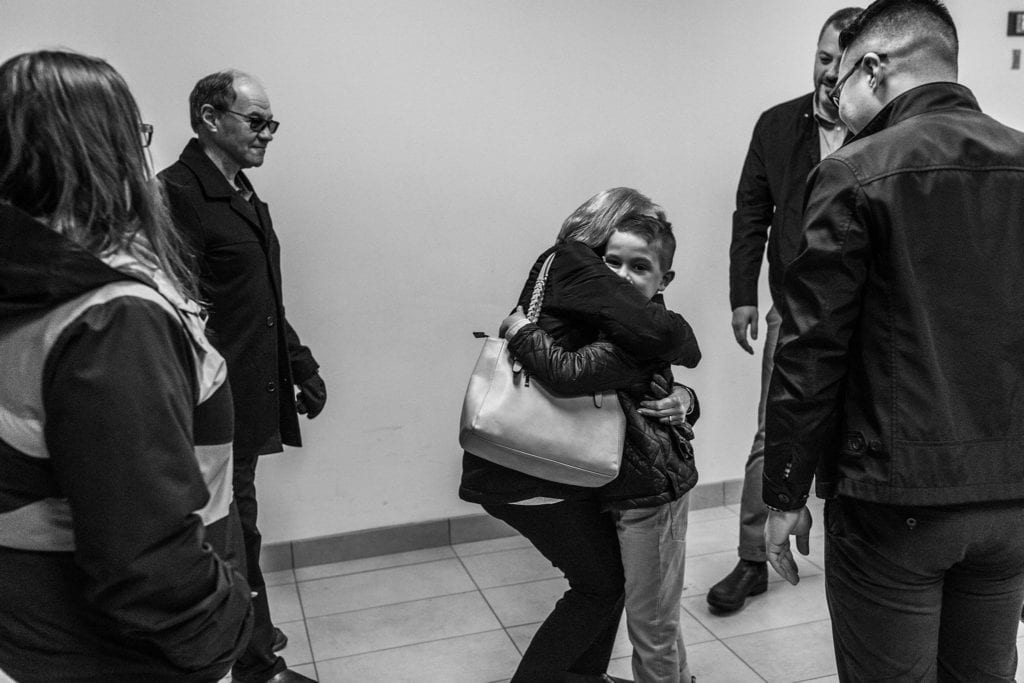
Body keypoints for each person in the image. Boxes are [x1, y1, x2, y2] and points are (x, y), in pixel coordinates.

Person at [762, 0, 1024, 679]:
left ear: (874, 69)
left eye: (839, 76)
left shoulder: (854, 171)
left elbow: (810, 350)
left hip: (895, 500)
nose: (832, 94)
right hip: (1011, 501)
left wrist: (784, 493)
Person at [0, 49, 252, 682]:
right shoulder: (110, 317)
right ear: (102, 151)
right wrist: (223, 631)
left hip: (39, 634)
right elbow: (145, 559)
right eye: (137, 134)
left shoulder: (26, 285)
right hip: (132, 654)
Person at [460, 187, 700, 683]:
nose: (618, 278)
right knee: (600, 587)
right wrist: (521, 333)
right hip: (530, 470)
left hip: (546, 466)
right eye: (611, 261)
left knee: (605, 585)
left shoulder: (594, 304)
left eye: (639, 265)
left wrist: (687, 397)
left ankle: (581, 678)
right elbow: (575, 374)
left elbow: (644, 390)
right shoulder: (580, 279)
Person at [160, 71, 326, 683]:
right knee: (234, 533)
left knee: (240, 527)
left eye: (271, 123)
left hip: (251, 390)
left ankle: (250, 635)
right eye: (256, 121)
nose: (267, 134)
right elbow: (178, 312)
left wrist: (299, 363)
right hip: (209, 405)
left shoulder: (242, 192)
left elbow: (258, 301)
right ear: (209, 118)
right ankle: (258, 665)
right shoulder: (176, 193)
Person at [711, 5, 862, 613]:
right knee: (774, 430)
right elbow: (752, 212)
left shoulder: (887, 129)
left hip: (874, 309)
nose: (829, 73)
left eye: (842, 64)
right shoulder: (776, 124)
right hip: (793, 305)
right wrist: (743, 295)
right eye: (823, 58)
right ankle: (752, 559)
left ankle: (860, 551)